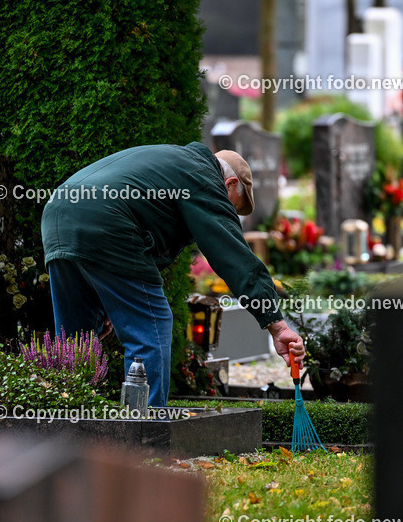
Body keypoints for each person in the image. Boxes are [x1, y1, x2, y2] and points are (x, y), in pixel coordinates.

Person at [41, 142, 304, 407]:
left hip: (58, 215)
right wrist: (277, 325)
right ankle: (145, 433)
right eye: (233, 206)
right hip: (107, 219)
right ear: (229, 183)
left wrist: (107, 307)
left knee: (76, 342)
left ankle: (69, 426)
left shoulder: (175, 161)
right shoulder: (203, 176)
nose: (230, 213)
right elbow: (233, 257)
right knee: (151, 328)